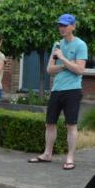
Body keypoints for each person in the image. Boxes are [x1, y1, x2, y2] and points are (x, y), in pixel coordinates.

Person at [28, 14, 87, 170]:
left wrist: (62, 58)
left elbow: (80, 70)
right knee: (50, 124)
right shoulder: (57, 45)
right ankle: (47, 154)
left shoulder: (80, 45)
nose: (62, 28)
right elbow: (49, 69)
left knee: (71, 125)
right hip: (56, 90)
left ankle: (70, 158)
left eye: (65, 25)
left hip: (72, 90)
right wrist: (66, 64)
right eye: (60, 25)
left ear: (73, 26)